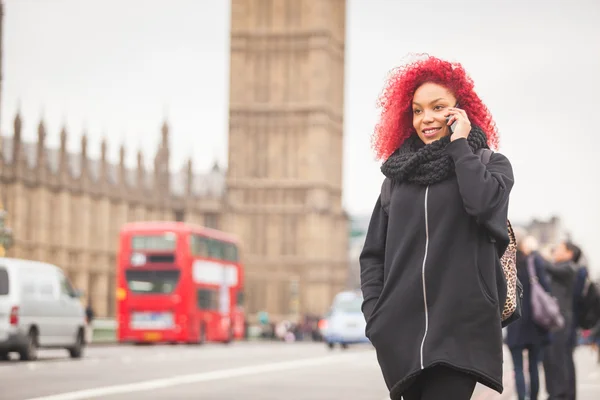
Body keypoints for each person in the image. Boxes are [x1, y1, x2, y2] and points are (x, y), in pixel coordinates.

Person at [360, 55, 514, 400]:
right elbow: (372, 255)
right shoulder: (396, 179)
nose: (426, 118)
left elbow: (482, 205)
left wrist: (461, 146)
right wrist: (376, 314)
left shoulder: (491, 165)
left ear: (460, 111)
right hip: (401, 332)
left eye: (438, 107)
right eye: (417, 110)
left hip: (462, 331)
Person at [505, 234, 552, 400]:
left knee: (518, 367)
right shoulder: (535, 261)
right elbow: (547, 286)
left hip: (515, 321)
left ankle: (521, 398)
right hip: (535, 321)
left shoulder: (508, 262)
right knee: (534, 366)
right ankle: (533, 398)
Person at [541, 241, 580, 400]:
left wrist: (536, 253)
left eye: (559, 249)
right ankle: (563, 393)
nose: (554, 250)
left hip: (561, 319)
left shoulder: (568, 267)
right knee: (558, 356)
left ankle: (559, 393)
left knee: (557, 356)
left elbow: (548, 267)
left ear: (569, 253)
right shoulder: (566, 268)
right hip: (560, 318)